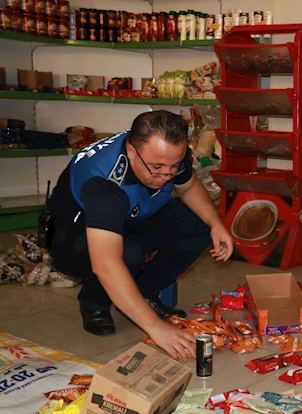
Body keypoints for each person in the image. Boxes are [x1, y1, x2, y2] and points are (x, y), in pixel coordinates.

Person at [47, 110, 235, 360]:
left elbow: (188, 185)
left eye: (173, 167)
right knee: (128, 255)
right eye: (156, 168)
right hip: (72, 240)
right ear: (133, 151)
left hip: (131, 218)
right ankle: (94, 302)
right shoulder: (105, 182)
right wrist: (157, 329)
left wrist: (215, 224)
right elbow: (106, 263)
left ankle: (144, 293)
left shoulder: (167, 152)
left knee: (197, 222)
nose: (166, 176)